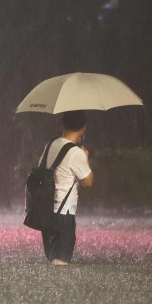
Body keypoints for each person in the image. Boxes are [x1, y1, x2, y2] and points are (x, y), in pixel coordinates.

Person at [41, 110, 94, 266]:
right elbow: (88, 182)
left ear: (63, 124)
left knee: (52, 261)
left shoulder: (50, 145)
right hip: (64, 214)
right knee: (61, 263)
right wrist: (86, 159)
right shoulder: (76, 153)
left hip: (46, 212)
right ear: (83, 128)